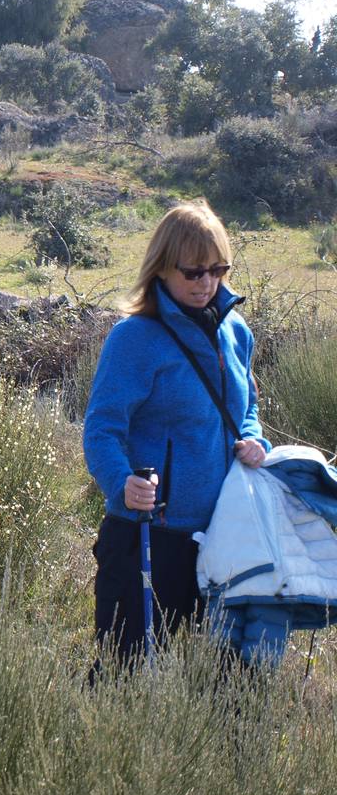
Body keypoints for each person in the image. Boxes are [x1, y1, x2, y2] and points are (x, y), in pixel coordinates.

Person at [83, 200, 269, 667]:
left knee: (224, 675)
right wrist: (121, 483)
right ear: (163, 267)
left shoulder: (236, 332)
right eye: (193, 272)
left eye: (217, 269)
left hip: (224, 531)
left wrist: (254, 440)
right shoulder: (134, 338)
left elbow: (247, 409)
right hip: (148, 532)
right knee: (125, 671)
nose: (206, 283)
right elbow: (102, 428)